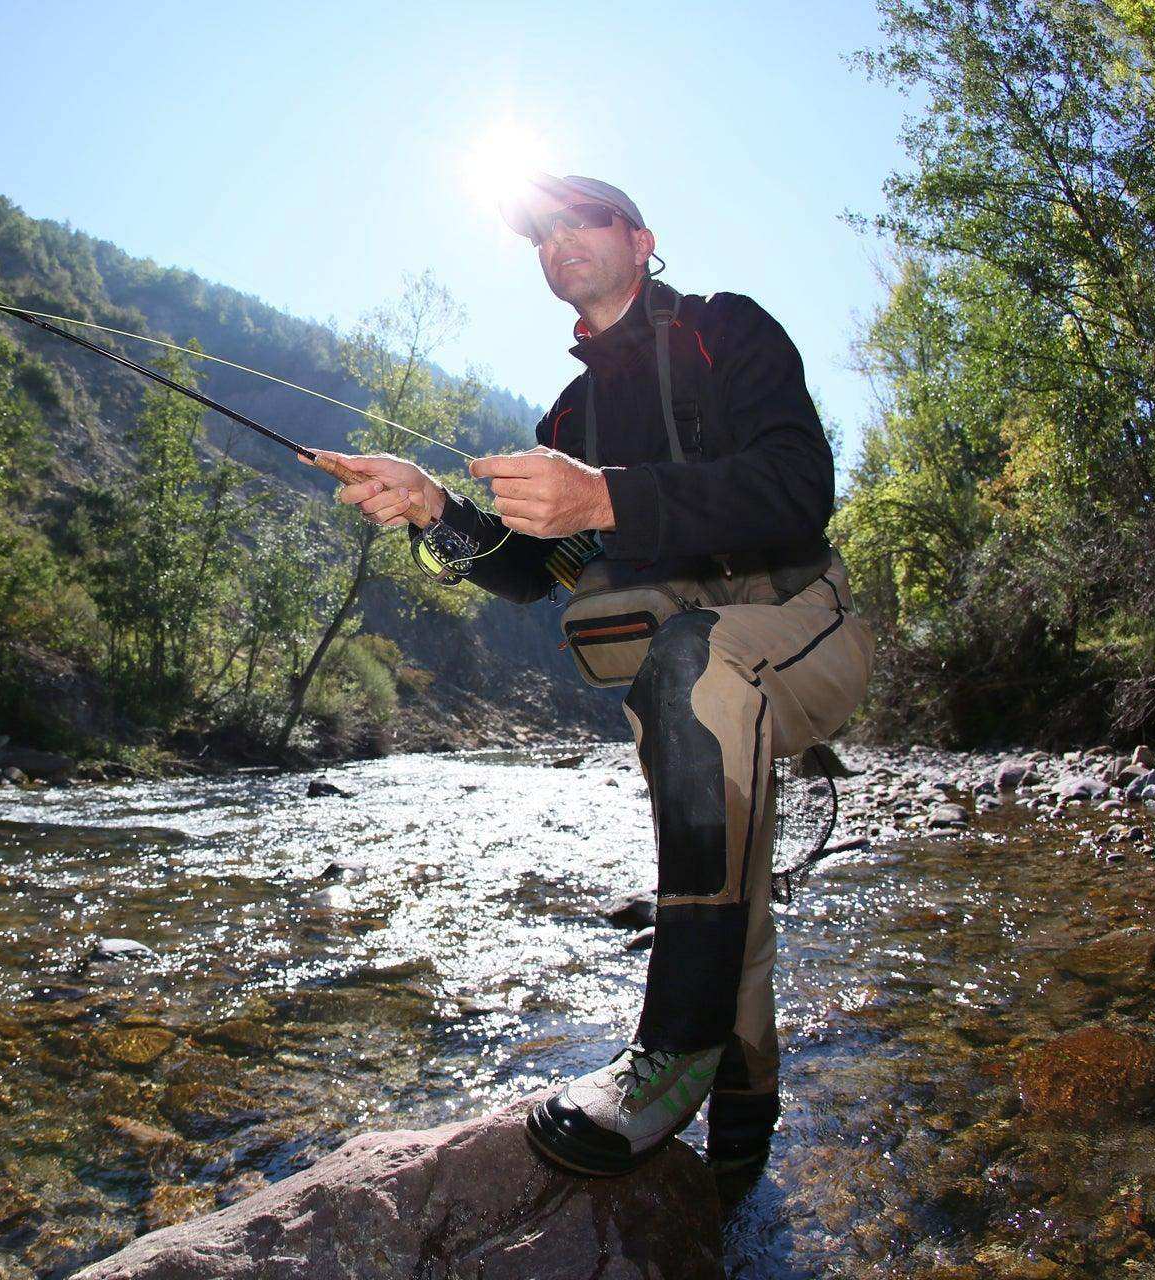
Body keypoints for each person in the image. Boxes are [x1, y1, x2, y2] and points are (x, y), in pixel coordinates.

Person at [309, 173, 873, 1177]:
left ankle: (668, 1047)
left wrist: (610, 499)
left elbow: (797, 487)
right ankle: (741, 1140)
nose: (558, 239)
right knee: (720, 877)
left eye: (583, 220)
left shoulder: (727, 331)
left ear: (642, 239)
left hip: (801, 622)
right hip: (690, 684)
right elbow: (535, 572)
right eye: (542, 231)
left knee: (689, 661)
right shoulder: (566, 416)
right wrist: (436, 507)